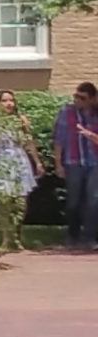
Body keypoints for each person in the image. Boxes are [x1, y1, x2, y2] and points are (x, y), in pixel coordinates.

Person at [0, 90, 45, 249]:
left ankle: (17, 235)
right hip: (1, 159)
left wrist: (37, 162)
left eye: (11, 100)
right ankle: (5, 238)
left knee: (21, 201)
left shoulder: (20, 121)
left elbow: (29, 142)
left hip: (19, 159)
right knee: (4, 200)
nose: (9, 104)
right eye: (4, 101)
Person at [58, 83, 98, 251]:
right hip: (73, 161)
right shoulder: (66, 112)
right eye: (76, 96)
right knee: (73, 200)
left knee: (94, 200)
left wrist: (90, 135)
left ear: (93, 99)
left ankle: (90, 237)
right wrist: (57, 163)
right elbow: (58, 139)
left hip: (95, 163)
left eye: (82, 98)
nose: (77, 100)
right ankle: (73, 235)